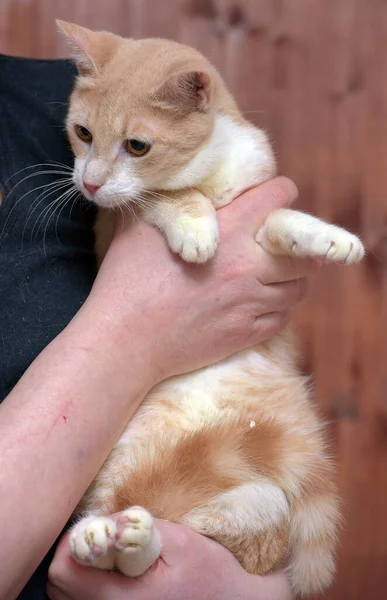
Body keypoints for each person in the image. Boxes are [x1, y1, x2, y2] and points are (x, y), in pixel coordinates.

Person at [0, 54, 318, 600]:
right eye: (83, 138)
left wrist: (251, 590)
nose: (91, 175)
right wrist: (133, 331)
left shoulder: (51, 97)